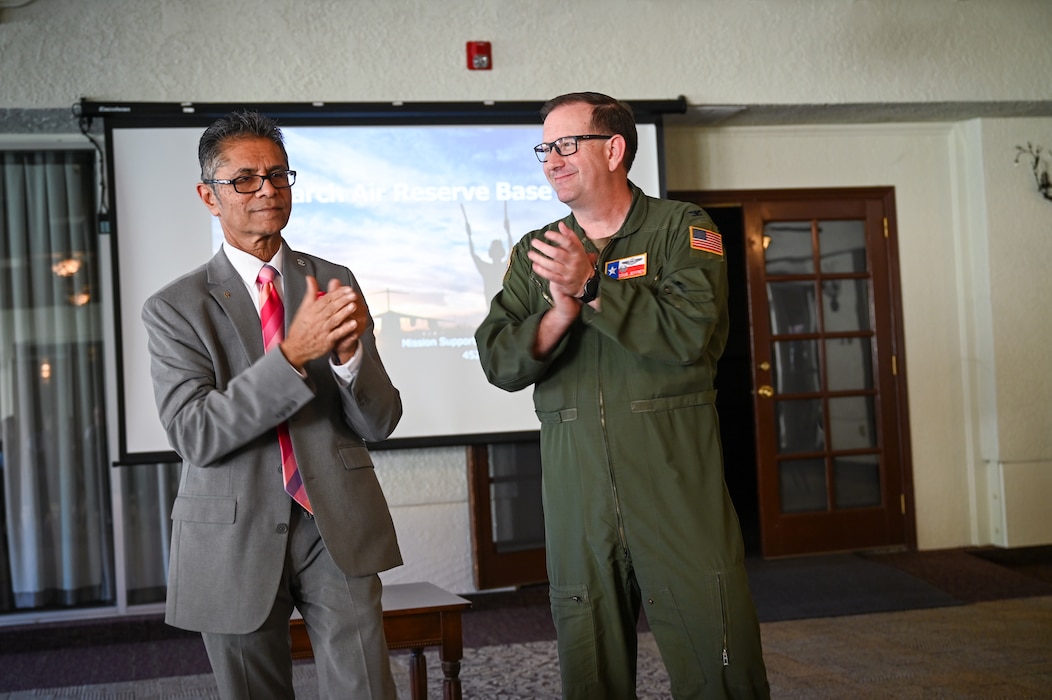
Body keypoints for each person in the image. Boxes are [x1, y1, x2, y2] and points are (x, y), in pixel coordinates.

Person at [475, 92, 770, 699]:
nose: (552, 160)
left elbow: (689, 335)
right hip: (578, 488)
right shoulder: (538, 250)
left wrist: (591, 288)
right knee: (590, 670)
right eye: (544, 149)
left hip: (673, 484)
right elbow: (499, 362)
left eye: (566, 144)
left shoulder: (682, 229)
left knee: (720, 662)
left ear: (613, 149)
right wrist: (555, 319)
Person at [142, 111, 402, 700]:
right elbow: (197, 434)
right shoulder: (174, 307)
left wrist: (349, 361)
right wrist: (291, 355)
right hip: (230, 531)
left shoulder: (334, 279)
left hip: (334, 517)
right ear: (209, 196)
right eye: (246, 179)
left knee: (366, 687)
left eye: (279, 175)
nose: (268, 190)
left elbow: (380, 421)